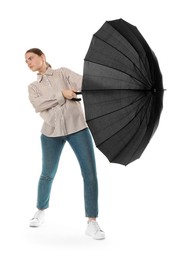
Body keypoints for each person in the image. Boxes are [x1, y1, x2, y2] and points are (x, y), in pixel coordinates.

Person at [25, 48, 105, 240]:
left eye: (31, 58)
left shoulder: (63, 73)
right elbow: (39, 105)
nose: (28, 62)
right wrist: (63, 95)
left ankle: (92, 222)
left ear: (42, 57)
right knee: (47, 174)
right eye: (26, 61)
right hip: (50, 133)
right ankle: (41, 210)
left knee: (90, 173)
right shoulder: (33, 87)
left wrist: (103, 82)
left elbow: (83, 83)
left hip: (78, 128)